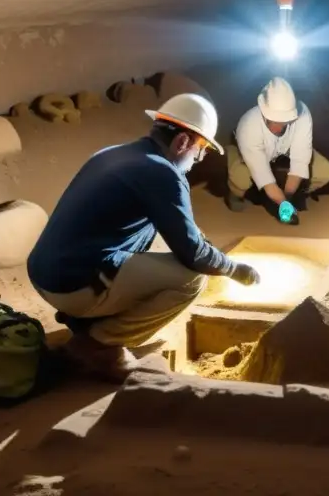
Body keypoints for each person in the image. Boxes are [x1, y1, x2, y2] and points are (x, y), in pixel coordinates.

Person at [27, 93, 260, 382]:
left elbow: (181, 227)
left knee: (149, 253)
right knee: (191, 279)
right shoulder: (163, 174)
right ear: (183, 142)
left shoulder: (115, 154)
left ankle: (85, 321)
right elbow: (194, 255)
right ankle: (99, 345)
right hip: (73, 285)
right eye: (200, 150)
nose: (198, 159)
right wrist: (236, 269)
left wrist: (201, 243)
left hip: (45, 274)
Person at [225, 77, 329, 225]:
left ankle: (289, 193)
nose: (278, 128)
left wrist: (287, 200)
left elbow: (300, 160)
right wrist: (281, 201)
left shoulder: (302, 114)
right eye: (273, 121)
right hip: (251, 154)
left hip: (282, 152)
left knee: (325, 171)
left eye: (285, 122)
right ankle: (237, 194)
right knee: (240, 178)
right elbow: (262, 174)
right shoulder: (248, 126)